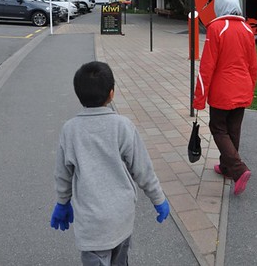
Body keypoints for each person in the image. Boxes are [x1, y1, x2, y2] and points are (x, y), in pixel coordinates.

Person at [50, 61, 170, 266]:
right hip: (121, 219)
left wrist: (63, 202)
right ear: (111, 93)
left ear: (79, 95)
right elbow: (143, 170)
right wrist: (158, 199)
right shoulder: (123, 127)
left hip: (91, 224)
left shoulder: (70, 130)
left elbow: (63, 174)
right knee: (120, 260)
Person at [193, 0, 257, 195]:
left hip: (223, 91)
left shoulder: (216, 28)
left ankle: (238, 169)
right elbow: (253, 66)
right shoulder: (248, 29)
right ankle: (227, 168)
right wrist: (250, 89)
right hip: (243, 88)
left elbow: (207, 67)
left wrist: (198, 100)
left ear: (218, 7)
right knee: (233, 129)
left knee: (218, 129)